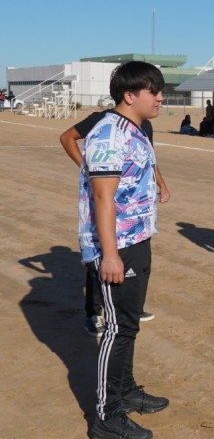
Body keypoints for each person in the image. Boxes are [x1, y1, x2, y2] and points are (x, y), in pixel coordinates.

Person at [79, 61, 169, 439]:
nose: (161, 98)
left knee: (128, 325)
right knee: (117, 329)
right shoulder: (109, 135)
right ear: (130, 96)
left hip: (137, 239)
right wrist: (110, 255)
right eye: (154, 92)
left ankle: (126, 391)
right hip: (118, 247)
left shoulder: (134, 130)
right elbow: (103, 197)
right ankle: (105, 415)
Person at [60, 110, 168, 335]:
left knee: (139, 264)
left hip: (134, 214)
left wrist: (162, 184)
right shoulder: (103, 120)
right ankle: (94, 313)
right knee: (98, 265)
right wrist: (90, 169)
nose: (159, 98)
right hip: (106, 203)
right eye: (153, 92)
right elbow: (67, 137)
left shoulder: (143, 125)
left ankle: (133, 308)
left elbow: (147, 159)